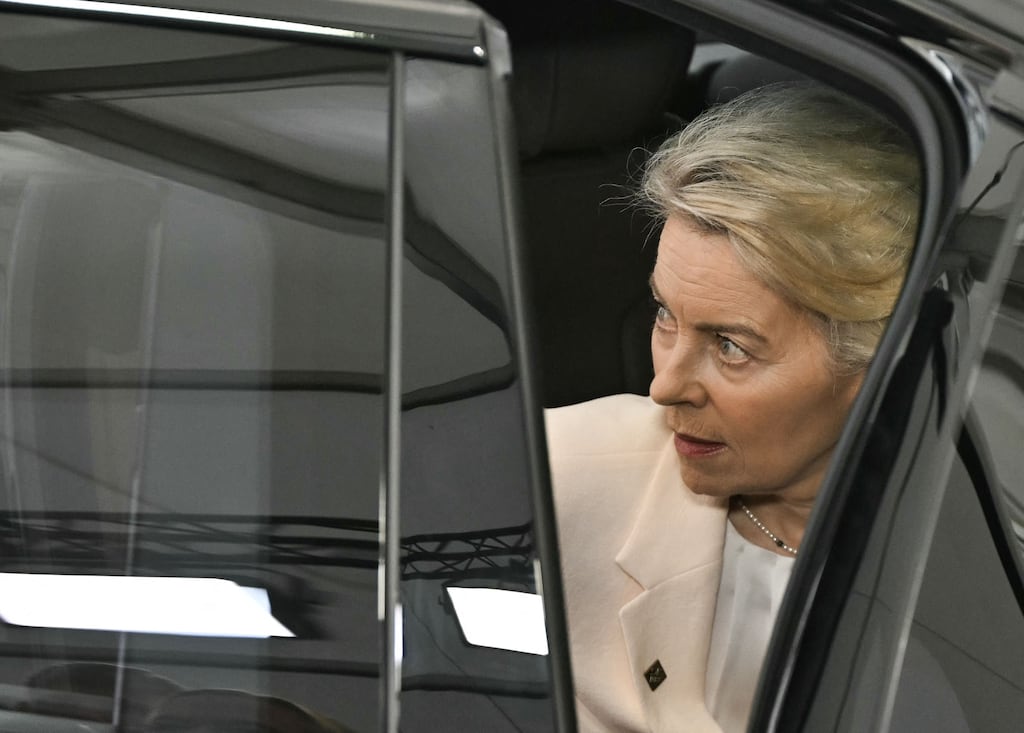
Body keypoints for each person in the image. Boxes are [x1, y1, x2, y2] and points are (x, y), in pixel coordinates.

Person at [545, 82, 920, 733]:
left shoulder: (959, 586)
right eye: (665, 314)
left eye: (730, 346)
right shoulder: (549, 479)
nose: (666, 386)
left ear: (875, 363)